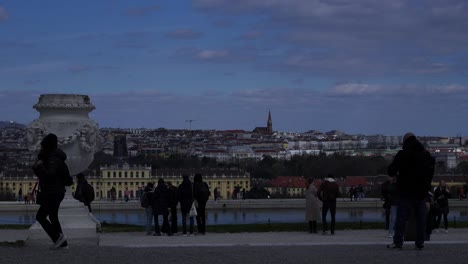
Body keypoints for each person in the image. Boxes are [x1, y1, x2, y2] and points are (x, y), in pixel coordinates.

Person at [387, 132, 435, 250]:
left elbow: (391, 170)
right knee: (421, 219)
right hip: (421, 192)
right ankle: (420, 242)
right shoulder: (426, 155)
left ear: (405, 142)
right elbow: (430, 173)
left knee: (401, 218)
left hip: (405, 190)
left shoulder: (403, 154)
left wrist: (396, 175)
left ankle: (398, 242)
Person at [31, 133, 69, 250]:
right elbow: (44, 175)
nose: (41, 149)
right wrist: (36, 168)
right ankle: (61, 243)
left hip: (52, 192)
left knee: (41, 216)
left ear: (47, 146)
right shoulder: (55, 157)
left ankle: (58, 238)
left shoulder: (52, 159)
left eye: (43, 146)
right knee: (53, 217)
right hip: (56, 191)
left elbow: (50, 176)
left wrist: (40, 167)